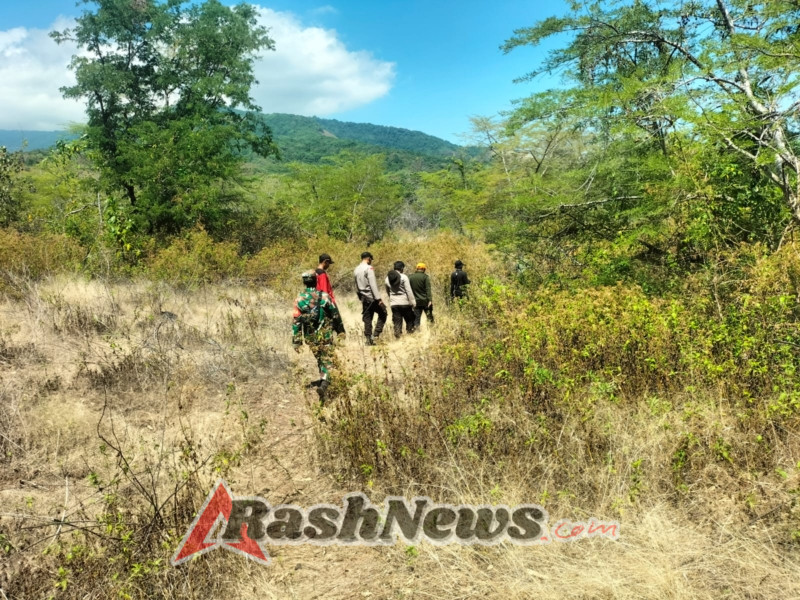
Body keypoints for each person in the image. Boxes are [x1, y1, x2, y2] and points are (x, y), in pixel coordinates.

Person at [292, 271, 345, 401]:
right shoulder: (325, 297)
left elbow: (296, 321)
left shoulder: (299, 299)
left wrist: (296, 341)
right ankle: (325, 384)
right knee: (327, 358)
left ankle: (324, 380)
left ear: (304, 282)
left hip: (310, 337)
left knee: (321, 358)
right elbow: (335, 314)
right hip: (325, 334)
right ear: (316, 281)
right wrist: (340, 330)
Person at [353, 251, 387, 345]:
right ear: (368, 259)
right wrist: (379, 299)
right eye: (371, 259)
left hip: (363, 298)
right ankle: (375, 335)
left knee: (367, 318)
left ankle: (368, 339)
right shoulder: (369, 268)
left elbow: (355, 285)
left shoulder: (356, 269)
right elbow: (373, 285)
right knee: (383, 313)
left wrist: (360, 296)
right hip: (372, 297)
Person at [385, 261, 416, 338]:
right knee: (409, 320)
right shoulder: (404, 277)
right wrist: (413, 302)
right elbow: (408, 291)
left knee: (397, 321)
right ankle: (410, 335)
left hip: (394, 304)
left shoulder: (387, 278)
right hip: (405, 302)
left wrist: (392, 299)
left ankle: (398, 335)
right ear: (402, 268)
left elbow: (388, 291)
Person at [408, 262, 434, 328]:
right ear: (424, 269)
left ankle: (417, 332)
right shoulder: (425, 277)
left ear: (417, 269)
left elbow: (408, 290)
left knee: (416, 318)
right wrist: (430, 300)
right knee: (429, 317)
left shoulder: (410, 277)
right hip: (425, 301)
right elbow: (428, 289)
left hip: (415, 301)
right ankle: (432, 330)